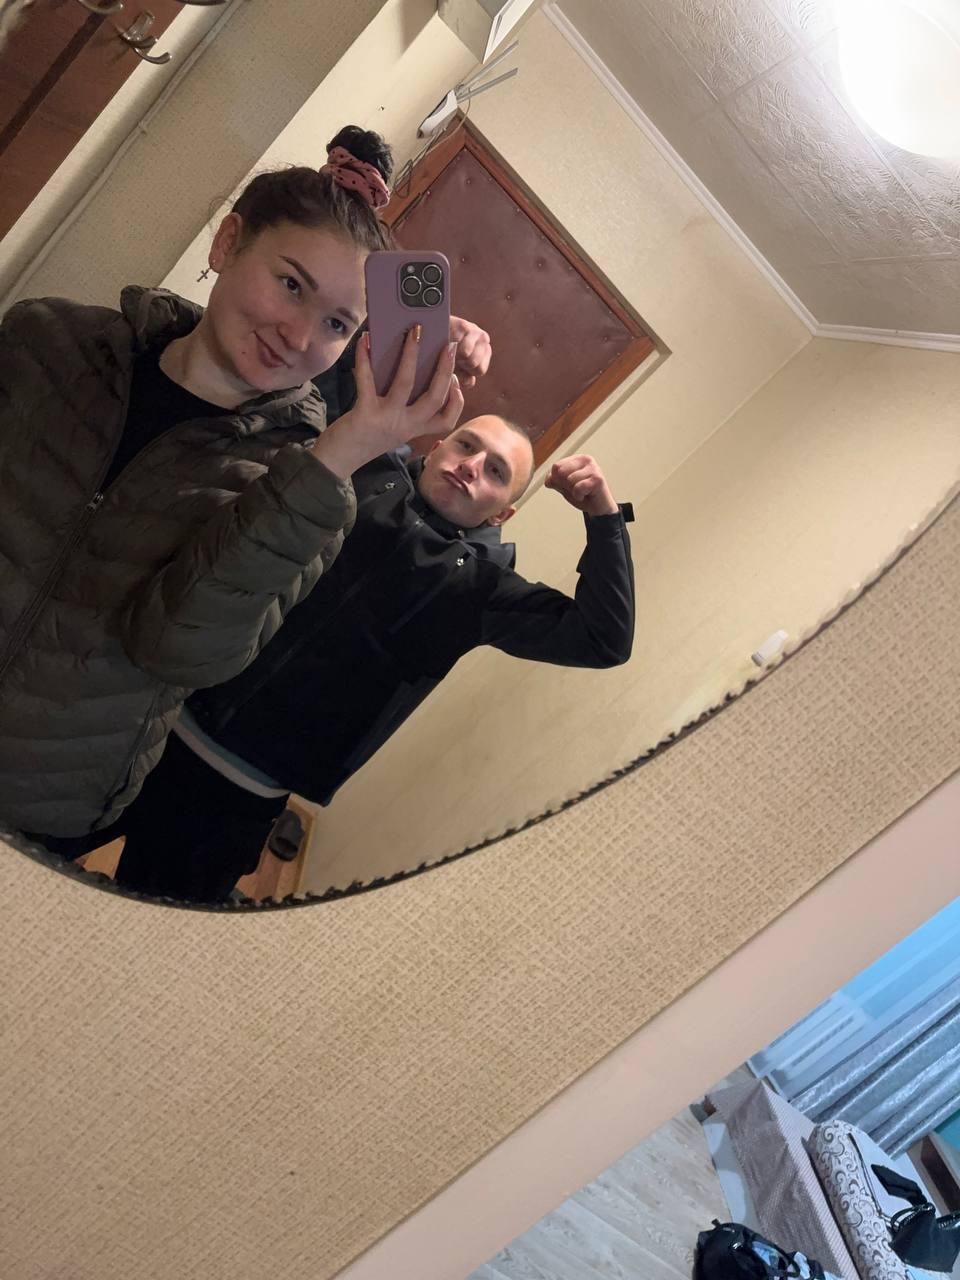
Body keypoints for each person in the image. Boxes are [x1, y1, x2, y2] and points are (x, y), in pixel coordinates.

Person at [0, 125, 473, 854]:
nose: (300, 336)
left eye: (337, 323)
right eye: (291, 284)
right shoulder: (46, 343)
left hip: (41, 800)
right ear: (227, 243)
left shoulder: (310, 497)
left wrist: (340, 453)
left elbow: (177, 650)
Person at [107, 414, 636, 902]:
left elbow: (603, 640)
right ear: (436, 448)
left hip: (238, 797)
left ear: (502, 513)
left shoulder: (483, 591)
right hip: (145, 720)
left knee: (149, 937)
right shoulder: (360, 471)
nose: (472, 465)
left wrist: (605, 518)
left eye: (496, 471)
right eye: (466, 445)